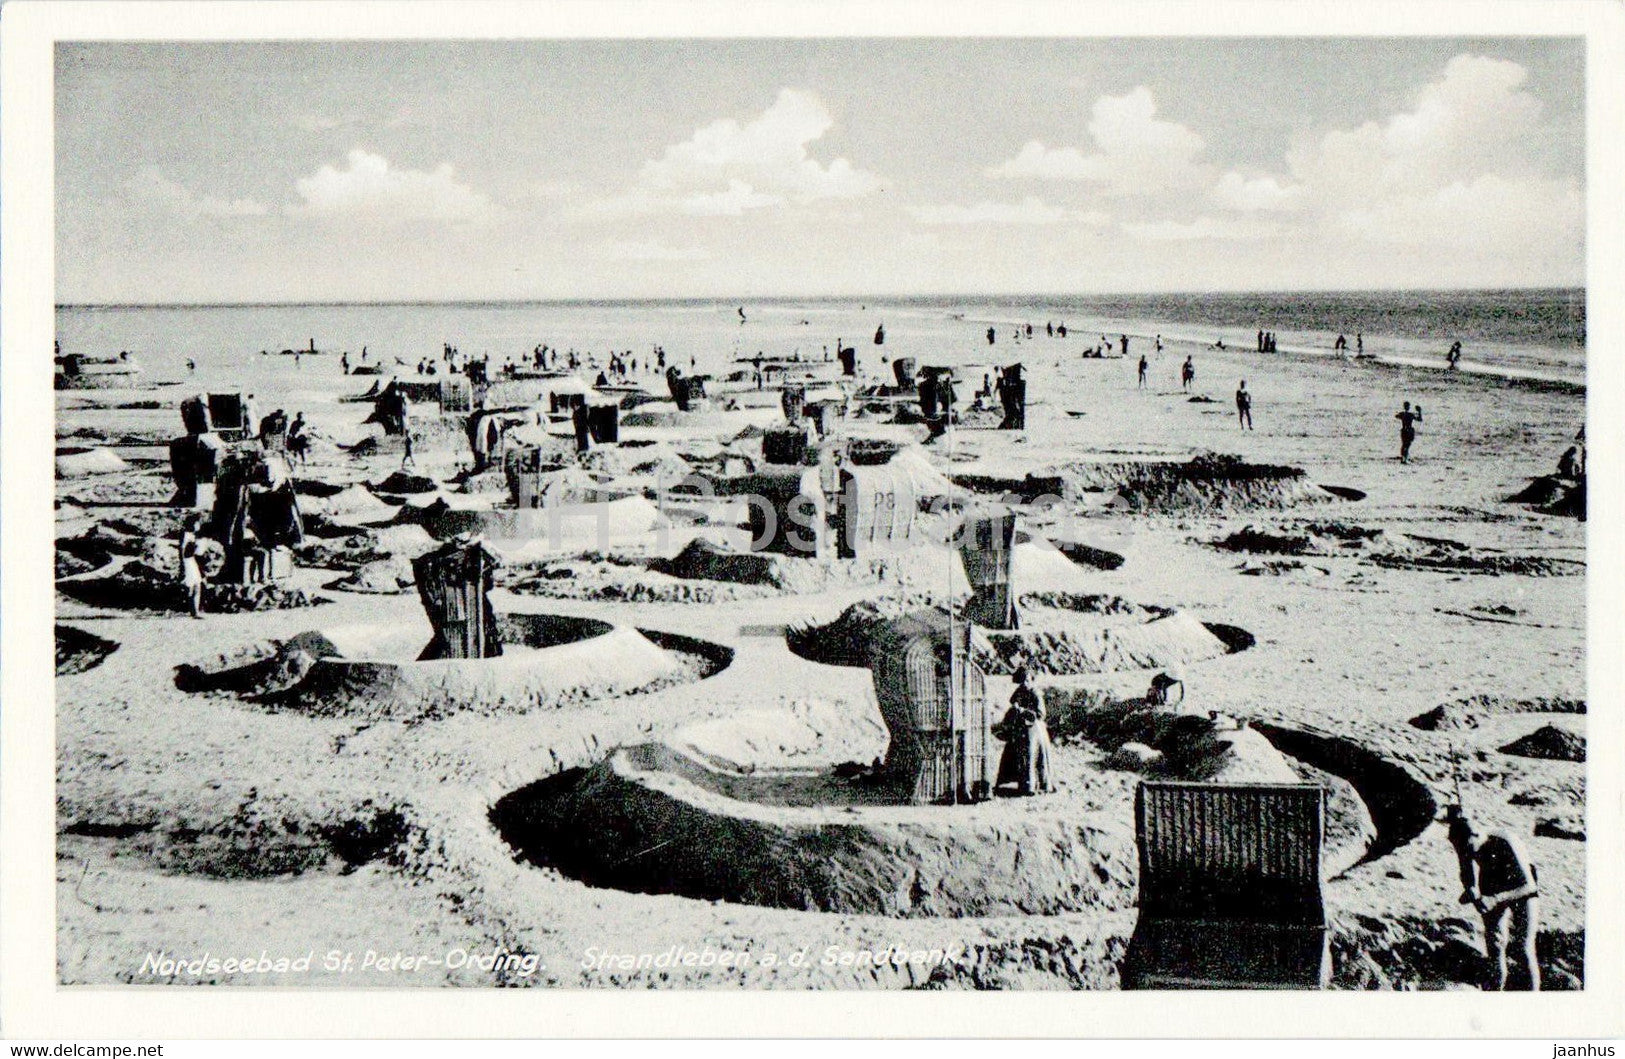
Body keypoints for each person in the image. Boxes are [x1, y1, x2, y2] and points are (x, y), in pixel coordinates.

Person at [1445, 806, 1540, 991]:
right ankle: (1496, 990)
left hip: (1520, 885)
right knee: (1495, 943)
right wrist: (1470, 889)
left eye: (1467, 848)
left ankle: (1533, 995)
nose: (1466, 853)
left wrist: (1495, 899)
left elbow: (1529, 885)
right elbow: (1466, 871)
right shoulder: (1465, 843)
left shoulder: (1505, 841)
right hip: (1492, 880)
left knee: (1523, 946)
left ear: (1476, 836)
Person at [993, 668, 1054, 796]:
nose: (1024, 684)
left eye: (1026, 681)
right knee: (1013, 754)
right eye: (1021, 682)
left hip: (1035, 731)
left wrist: (1023, 711)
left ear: (1030, 680)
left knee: (1031, 755)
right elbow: (1012, 702)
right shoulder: (1019, 692)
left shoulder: (1036, 694)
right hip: (1020, 730)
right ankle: (1011, 782)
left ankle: (1031, 786)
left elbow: (1040, 714)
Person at [178, 517, 204, 619]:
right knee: (192, 586)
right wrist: (183, 564)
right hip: (187, 561)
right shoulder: (186, 535)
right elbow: (182, 550)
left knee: (196, 585)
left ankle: (195, 611)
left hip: (191, 560)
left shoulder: (193, 536)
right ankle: (193, 611)